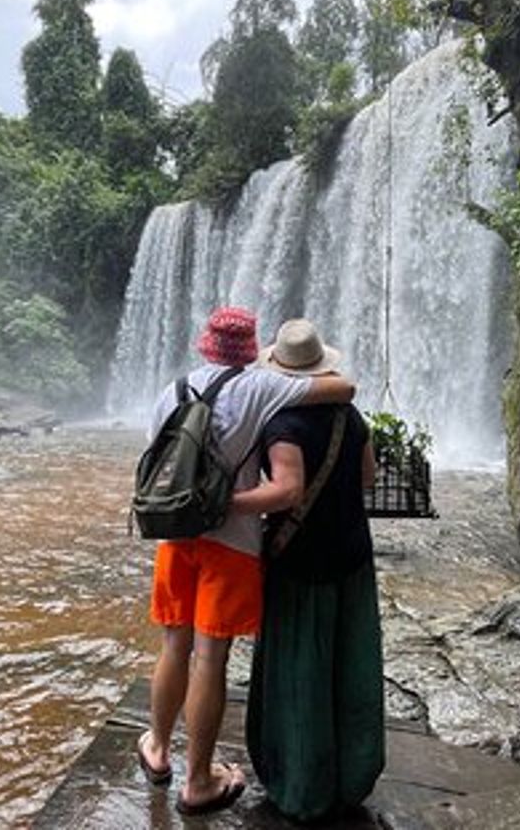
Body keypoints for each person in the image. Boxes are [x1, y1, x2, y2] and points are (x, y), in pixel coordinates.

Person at [137, 307, 356, 816]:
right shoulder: (259, 388)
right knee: (211, 659)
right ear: (250, 349)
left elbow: (156, 459)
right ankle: (198, 782)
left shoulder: (172, 390)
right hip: (231, 544)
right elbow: (344, 389)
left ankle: (157, 748)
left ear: (205, 345)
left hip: (177, 535)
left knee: (174, 643)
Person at [231, 318, 385, 823]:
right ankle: (352, 777)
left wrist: (223, 505)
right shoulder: (350, 416)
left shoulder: (283, 423)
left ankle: (301, 788)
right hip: (353, 555)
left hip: (302, 561)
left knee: (301, 671)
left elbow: (287, 491)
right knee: (348, 664)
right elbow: (368, 478)